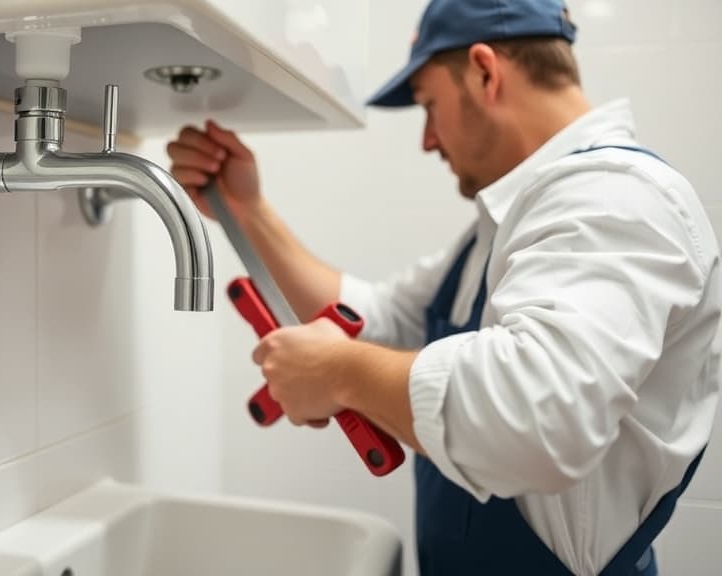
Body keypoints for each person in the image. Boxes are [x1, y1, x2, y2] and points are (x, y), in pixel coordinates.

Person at [166, 0, 721, 574]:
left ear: (485, 71)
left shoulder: (615, 199)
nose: (428, 140)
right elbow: (374, 319)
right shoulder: (508, 225)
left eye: (430, 105)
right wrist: (248, 210)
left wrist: (337, 372)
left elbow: (534, 416)